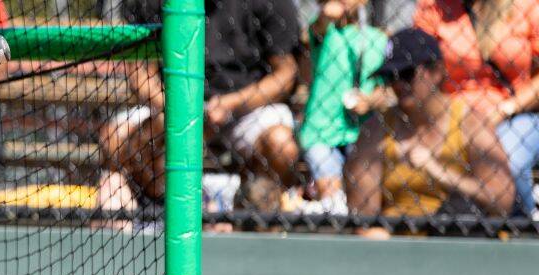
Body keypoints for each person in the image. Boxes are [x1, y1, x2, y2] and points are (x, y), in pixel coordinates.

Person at [98, 0, 302, 214]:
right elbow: (139, 71)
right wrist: (175, 108)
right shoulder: (153, 2)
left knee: (282, 145)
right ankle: (155, 212)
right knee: (114, 139)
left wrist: (232, 103)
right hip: (173, 104)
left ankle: (252, 214)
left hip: (246, 108)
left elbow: (285, 74)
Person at [345, 27, 514, 235]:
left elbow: (502, 202)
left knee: (463, 211)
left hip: (458, 241)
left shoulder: (470, 123)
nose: (398, 84)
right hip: (398, 246)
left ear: (436, 71)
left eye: (406, 74)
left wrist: (440, 172)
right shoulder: (377, 129)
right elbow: (362, 216)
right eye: (391, 76)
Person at [414, 0, 539, 218]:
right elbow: (417, 62)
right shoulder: (434, 8)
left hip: (516, 113)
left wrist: (509, 107)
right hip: (453, 115)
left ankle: (524, 225)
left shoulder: (526, 5)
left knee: (506, 161)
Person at [298, 0, 391, 212]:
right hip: (321, 130)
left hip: (361, 131)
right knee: (334, 200)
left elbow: (383, 88)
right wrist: (329, 10)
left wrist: (368, 101)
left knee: (362, 198)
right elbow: (320, 24)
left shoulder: (378, 38)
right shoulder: (325, 32)